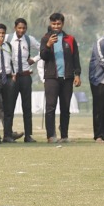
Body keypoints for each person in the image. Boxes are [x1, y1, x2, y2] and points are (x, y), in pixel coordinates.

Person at [40, 13, 80, 144]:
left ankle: (64, 135)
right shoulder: (45, 38)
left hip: (67, 78)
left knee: (65, 107)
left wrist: (77, 74)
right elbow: (43, 56)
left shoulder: (70, 39)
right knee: (50, 107)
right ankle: (51, 135)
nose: (56, 26)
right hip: (51, 77)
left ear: (62, 24)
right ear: (50, 24)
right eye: (53, 24)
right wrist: (48, 45)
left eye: (58, 24)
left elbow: (75, 58)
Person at [0, 18, 36, 143]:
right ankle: (7, 135)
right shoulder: (8, 39)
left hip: (25, 76)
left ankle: (28, 135)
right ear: (15, 28)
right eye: (19, 28)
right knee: (9, 107)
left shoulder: (29, 39)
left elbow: (43, 49)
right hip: (12, 77)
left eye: (24, 28)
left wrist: (34, 59)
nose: (21, 30)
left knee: (27, 107)